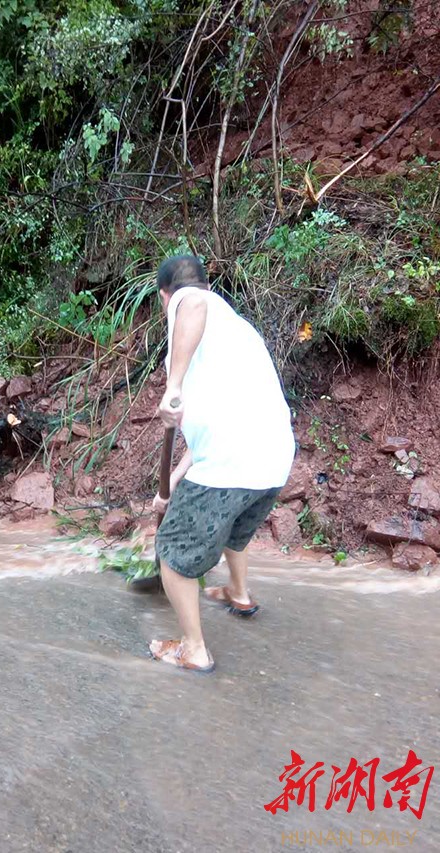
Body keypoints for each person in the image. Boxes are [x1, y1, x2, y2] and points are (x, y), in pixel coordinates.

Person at [149, 255, 295, 673]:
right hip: (274, 461)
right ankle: (239, 592)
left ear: (165, 295)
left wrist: (173, 386)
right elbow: (213, 430)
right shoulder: (237, 330)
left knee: (173, 555)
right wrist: (173, 482)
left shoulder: (189, 303)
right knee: (234, 530)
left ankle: (193, 649)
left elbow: (190, 303)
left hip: (232, 462)